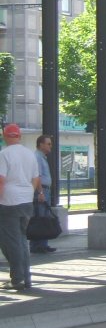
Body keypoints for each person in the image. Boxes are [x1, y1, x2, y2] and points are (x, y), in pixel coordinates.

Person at [0, 123, 40, 291]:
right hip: (26, 200)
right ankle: (26, 277)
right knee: (22, 239)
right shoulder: (29, 154)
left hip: (9, 201)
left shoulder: (4, 154)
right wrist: (29, 193)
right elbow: (36, 178)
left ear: (5, 136)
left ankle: (17, 279)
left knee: (10, 241)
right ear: (19, 136)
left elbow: (1, 180)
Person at [30, 134, 57, 253]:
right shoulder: (37, 157)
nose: (51, 146)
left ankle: (43, 244)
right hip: (41, 190)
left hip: (45, 189)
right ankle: (37, 245)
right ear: (41, 144)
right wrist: (40, 192)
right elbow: (37, 176)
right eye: (48, 143)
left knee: (44, 216)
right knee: (40, 217)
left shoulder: (42, 157)